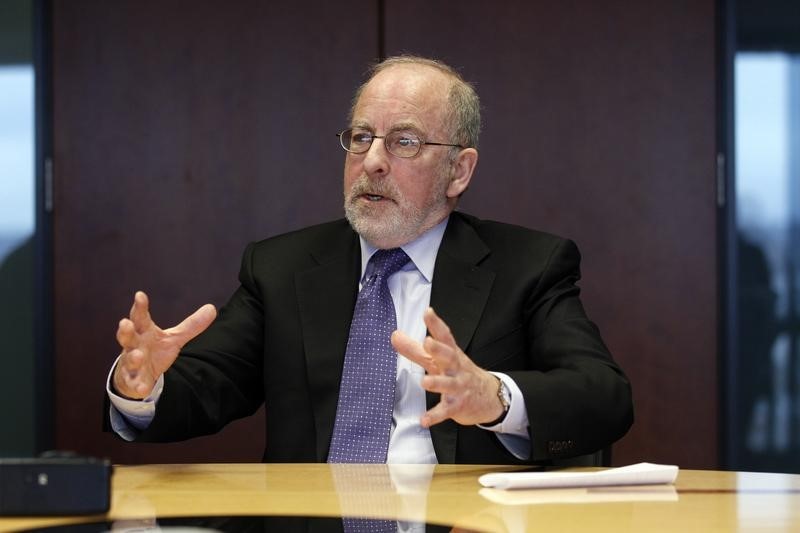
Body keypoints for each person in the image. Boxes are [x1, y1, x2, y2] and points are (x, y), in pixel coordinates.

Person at [107, 55, 633, 465]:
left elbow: (606, 397)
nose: (373, 161)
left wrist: (493, 396)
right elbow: (206, 388)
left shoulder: (529, 266)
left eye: (404, 141)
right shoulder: (281, 268)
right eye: (361, 138)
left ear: (459, 171)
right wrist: (142, 386)